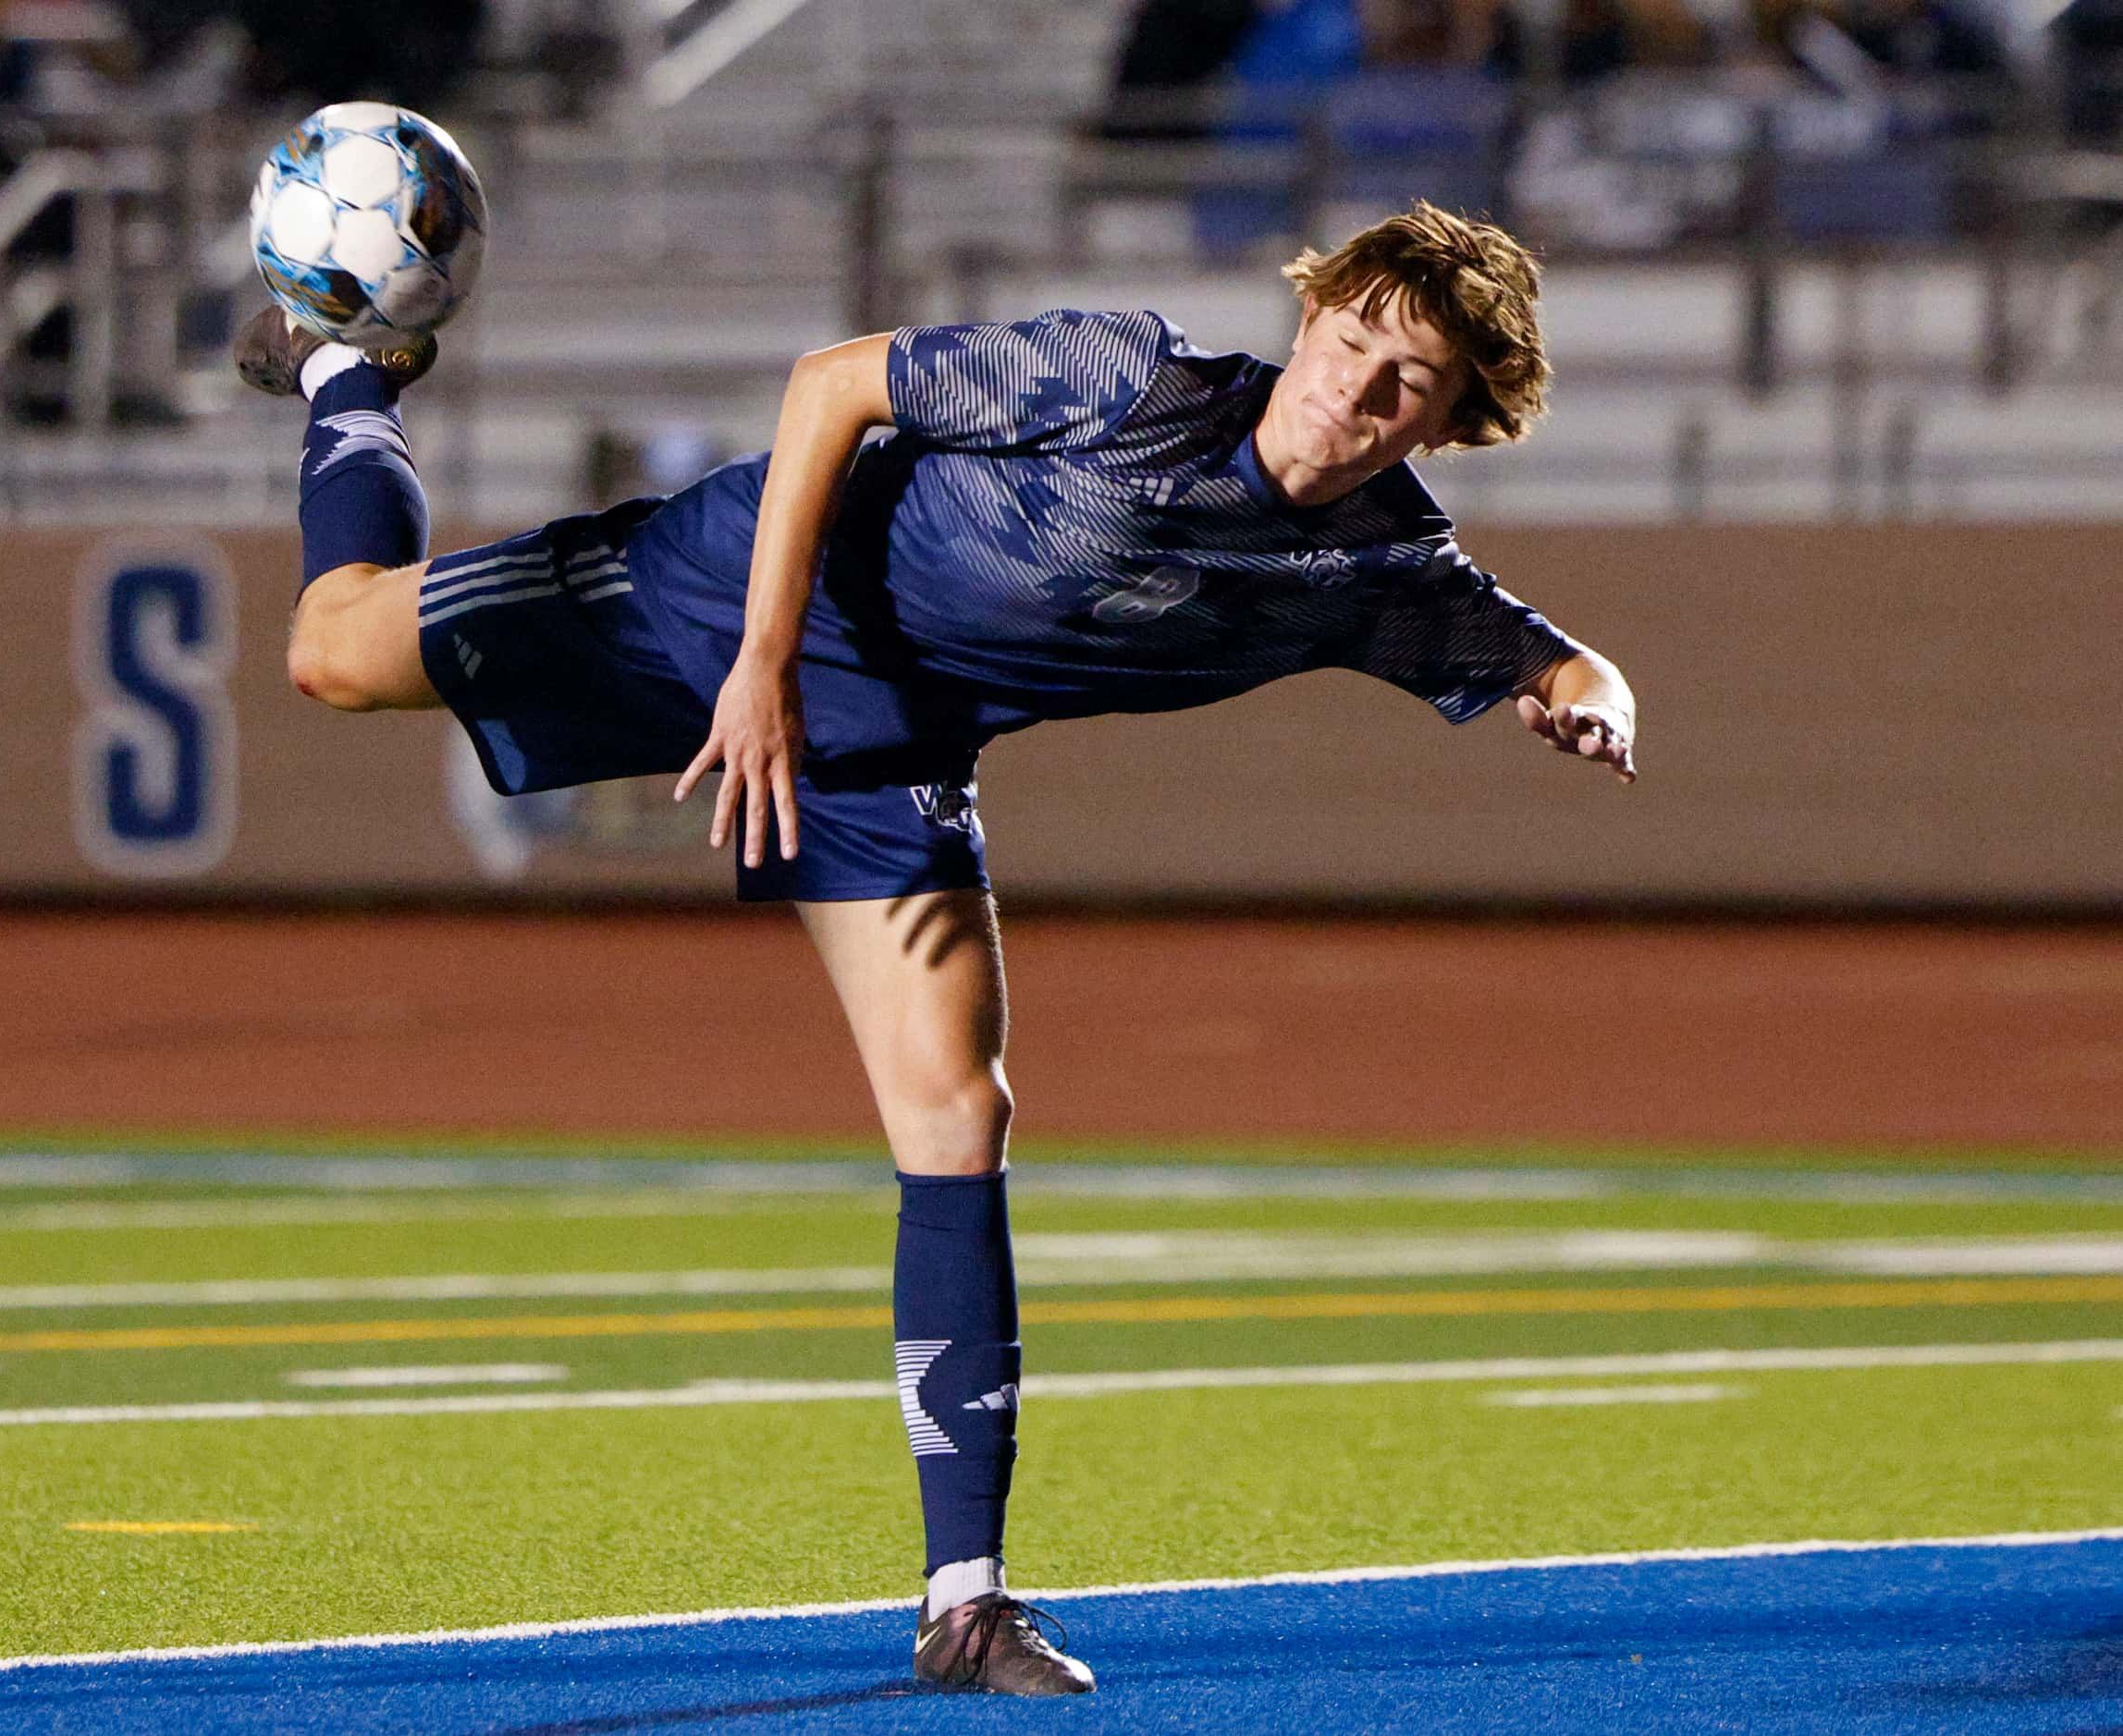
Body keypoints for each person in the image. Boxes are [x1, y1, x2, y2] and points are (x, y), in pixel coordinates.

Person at [237, 199, 1637, 1695]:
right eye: (1351, 339)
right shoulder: (1122, 376)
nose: (1354, 390)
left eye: (1405, 382)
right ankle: (348, 372)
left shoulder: (1380, 569)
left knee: (960, 1115)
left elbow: (1558, 653)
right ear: (1310, 318)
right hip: (715, 604)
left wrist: (1590, 697)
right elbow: (831, 386)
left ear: (1454, 420)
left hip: (889, 741)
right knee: (334, 649)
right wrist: (763, 661)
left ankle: (964, 1598)